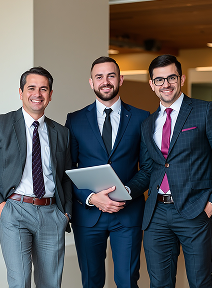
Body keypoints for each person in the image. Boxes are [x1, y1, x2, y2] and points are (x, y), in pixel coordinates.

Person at [127, 54, 212, 288]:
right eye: (159, 80)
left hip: (195, 210)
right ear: (151, 84)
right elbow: (149, 170)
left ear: (181, 79)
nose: (165, 84)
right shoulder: (148, 123)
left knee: (199, 282)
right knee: (159, 284)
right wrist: (125, 190)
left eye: (171, 77)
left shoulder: (204, 111)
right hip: (156, 213)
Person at [0, 67, 72, 288]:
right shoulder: (0, 124)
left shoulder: (61, 133)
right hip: (14, 210)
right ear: (21, 92)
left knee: (51, 283)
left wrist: (65, 212)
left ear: (51, 94)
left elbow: (65, 176)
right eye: (31, 88)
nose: (37, 94)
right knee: (20, 281)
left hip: (51, 213)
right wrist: (0, 207)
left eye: (43, 89)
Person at [65, 56, 150, 288]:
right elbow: (68, 169)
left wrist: (126, 191)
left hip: (128, 214)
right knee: (91, 281)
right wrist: (92, 198)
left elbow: (149, 168)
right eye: (99, 77)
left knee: (127, 280)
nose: (105, 81)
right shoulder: (74, 120)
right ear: (91, 82)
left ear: (120, 80)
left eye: (111, 76)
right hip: (89, 214)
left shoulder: (142, 118)